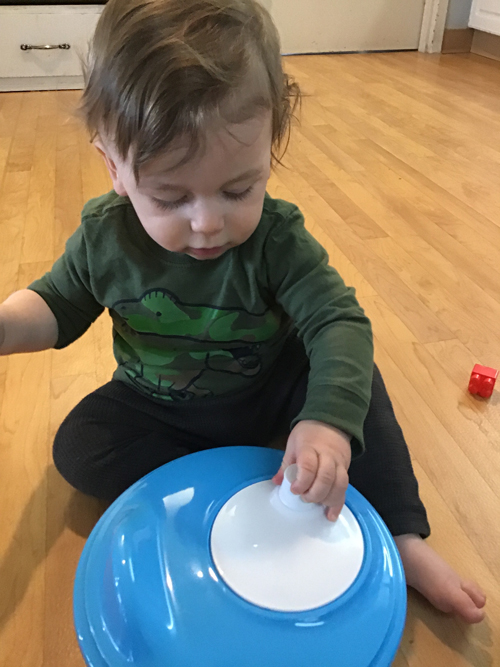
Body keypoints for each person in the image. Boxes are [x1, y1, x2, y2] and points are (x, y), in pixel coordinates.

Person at [0, 0, 485, 624]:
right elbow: (57, 305)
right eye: (170, 197)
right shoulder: (104, 237)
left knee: (354, 382)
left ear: (269, 147)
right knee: (78, 445)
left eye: (238, 190)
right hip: (161, 406)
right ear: (113, 167)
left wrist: (327, 427)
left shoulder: (276, 240)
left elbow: (339, 322)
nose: (207, 223)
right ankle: (232, 484)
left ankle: (402, 538)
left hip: (269, 394)